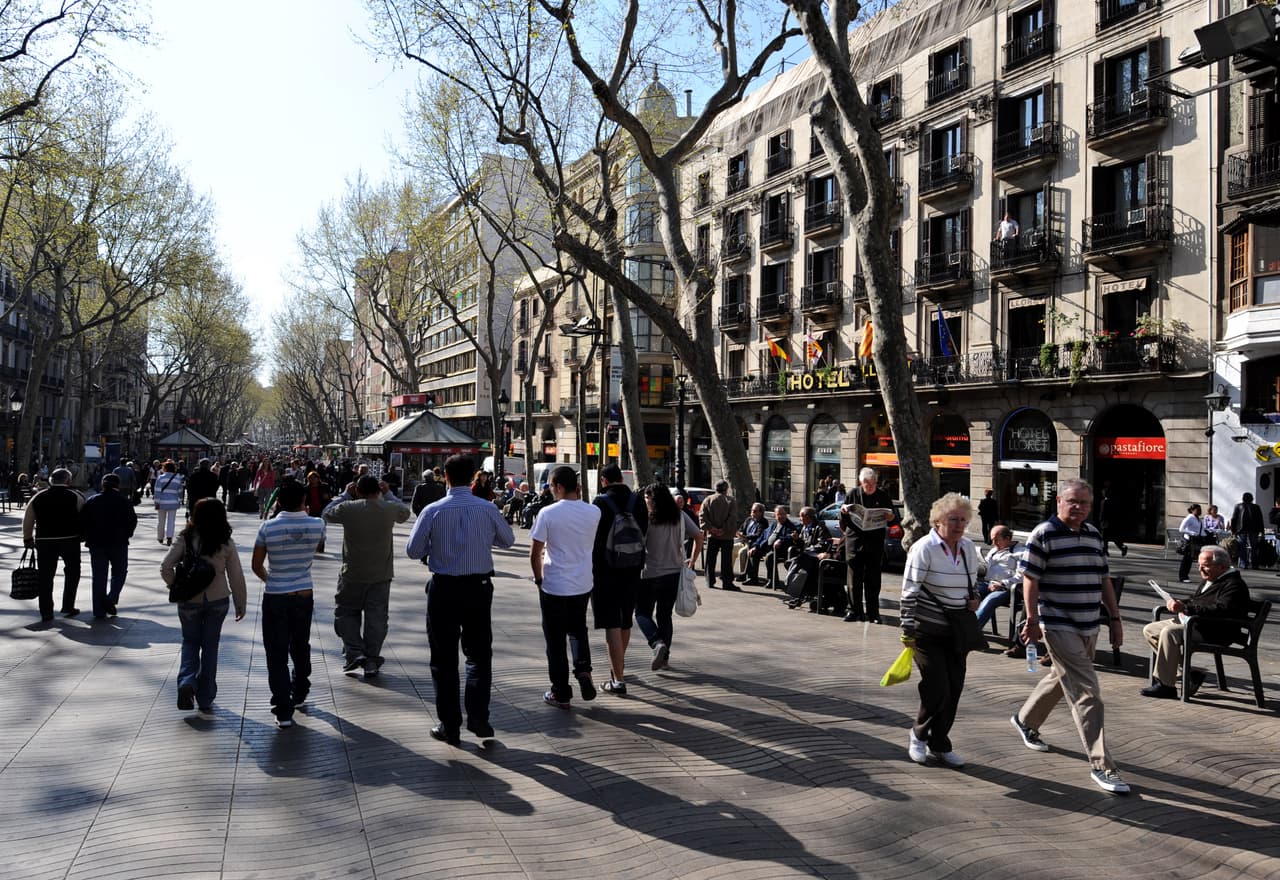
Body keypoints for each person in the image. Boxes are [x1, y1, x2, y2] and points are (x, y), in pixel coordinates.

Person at [1011, 478, 1130, 795]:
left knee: (1060, 678)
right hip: (1058, 623)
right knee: (1087, 693)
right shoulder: (1043, 534)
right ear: (1059, 502)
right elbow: (1030, 580)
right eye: (1072, 501)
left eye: (1085, 503)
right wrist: (1032, 619)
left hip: (1089, 624)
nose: (1079, 508)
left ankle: (1026, 720)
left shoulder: (1093, 535)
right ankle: (1102, 765)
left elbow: (1103, 579)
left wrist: (1115, 619)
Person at [406, 454, 515, 745]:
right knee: (479, 655)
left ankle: (449, 724)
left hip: (444, 589)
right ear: (472, 477)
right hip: (478, 588)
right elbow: (508, 540)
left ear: (447, 478)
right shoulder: (488, 508)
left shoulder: (433, 510)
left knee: (443, 658)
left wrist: (435, 544)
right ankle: (478, 716)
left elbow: (413, 551)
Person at [899, 493, 981, 768]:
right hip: (926, 631)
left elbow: (974, 585)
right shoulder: (924, 548)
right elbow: (908, 592)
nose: (959, 525)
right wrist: (907, 630)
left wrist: (975, 599)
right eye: (953, 519)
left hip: (957, 632)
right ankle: (918, 736)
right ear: (937, 521)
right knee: (937, 688)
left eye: (963, 520)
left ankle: (940, 743)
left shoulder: (968, 547)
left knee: (954, 689)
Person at [251, 480, 326, 729]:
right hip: (304, 593)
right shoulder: (317, 525)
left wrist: (271, 579)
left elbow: (256, 565)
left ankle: (283, 708)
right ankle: (301, 688)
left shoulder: (268, 527)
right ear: (304, 499)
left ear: (279, 500)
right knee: (300, 644)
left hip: (276, 595)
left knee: (276, 652)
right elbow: (313, 549)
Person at [162, 498, 247, 714]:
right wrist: (240, 603)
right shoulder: (225, 541)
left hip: (189, 600)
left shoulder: (186, 537)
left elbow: (166, 566)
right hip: (218, 599)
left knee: (190, 641)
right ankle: (206, 697)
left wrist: (175, 585)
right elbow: (235, 574)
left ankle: (187, 681)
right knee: (210, 646)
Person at [322, 474, 412, 678]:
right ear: (378, 490)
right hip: (381, 573)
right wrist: (389, 494)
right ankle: (372, 659)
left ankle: (354, 652)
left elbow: (326, 513)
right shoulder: (388, 509)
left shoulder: (348, 508)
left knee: (346, 613)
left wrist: (345, 494)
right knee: (376, 618)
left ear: (358, 491)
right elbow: (405, 512)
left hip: (352, 572)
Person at [529, 465, 601, 709]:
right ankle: (583, 670)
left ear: (558, 486)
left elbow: (535, 553)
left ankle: (561, 691)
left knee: (555, 640)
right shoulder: (594, 512)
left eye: (550, 486)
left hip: (554, 585)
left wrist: (539, 580)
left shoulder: (547, 513)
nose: (550, 491)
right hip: (582, 583)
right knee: (578, 630)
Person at [1141, 545, 1251, 699]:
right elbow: (1197, 600)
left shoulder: (1234, 585)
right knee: (1150, 630)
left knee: (1169, 633)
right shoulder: (1210, 578)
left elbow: (1220, 610)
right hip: (1197, 624)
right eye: (1199, 565)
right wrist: (1180, 602)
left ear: (1222, 567)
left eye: (1205, 566)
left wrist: (1187, 608)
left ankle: (1166, 686)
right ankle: (1190, 674)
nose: (1200, 570)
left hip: (1215, 631)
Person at [591, 464, 648, 695]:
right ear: (621, 479)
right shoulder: (638, 501)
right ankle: (618, 669)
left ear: (604, 480)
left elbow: (594, 538)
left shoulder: (600, 503)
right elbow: (644, 530)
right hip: (634, 567)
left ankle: (618, 680)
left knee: (611, 623)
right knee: (625, 620)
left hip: (606, 570)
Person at [636, 483, 704, 672]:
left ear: (653, 499)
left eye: (647, 498)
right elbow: (699, 536)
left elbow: (640, 545)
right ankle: (664, 658)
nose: (645, 501)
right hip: (674, 574)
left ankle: (656, 643)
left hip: (650, 573)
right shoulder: (679, 517)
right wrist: (692, 561)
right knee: (665, 615)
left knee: (641, 613)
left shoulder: (648, 519)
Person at [22, 468, 85, 623]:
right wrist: (83, 535)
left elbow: (28, 519)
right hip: (70, 540)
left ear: (51, 480)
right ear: (68, 481)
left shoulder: (38, 497)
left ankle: (46, 611)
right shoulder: (76, 497)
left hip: (45, 541)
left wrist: (28, 538)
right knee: (72, 573)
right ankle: (68, 605)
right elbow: (85, 518)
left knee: (45, 576)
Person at [841, 467, 896, 623]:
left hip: (874, 544)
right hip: (855, 543)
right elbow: (843, 522)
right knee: (854, 580)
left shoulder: (883, 496)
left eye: (873, 483)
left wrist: (890, 517)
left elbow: (893, 520)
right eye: (866, 483)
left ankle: (873, 613)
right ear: (861, 482)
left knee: (873, 581)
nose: (870, 486)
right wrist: (843, 511)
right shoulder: (852, 494)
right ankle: (854, 611)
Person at [80, 474, 138, 619]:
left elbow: (83, 521)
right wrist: (127, 534)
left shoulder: (92, 501)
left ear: (102, 484)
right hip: (118, 542)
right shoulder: (124, 501)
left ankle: (99, 610)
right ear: (117, 485)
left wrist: (87, 536)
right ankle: (111, 598)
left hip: (96, 543)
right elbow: (132, 521)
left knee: (99, 576)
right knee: (119, 572)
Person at [783, 506, 837, 610]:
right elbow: (802, 544)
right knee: (792, 563)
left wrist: (809, 549)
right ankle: (798, 594)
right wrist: (797, 540)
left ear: (808, 517)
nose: (800, 519)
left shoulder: (820, 526)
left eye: (801, 517)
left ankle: (798, 594)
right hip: (807, 557)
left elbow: (822, 544)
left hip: (817, 559)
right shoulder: (804, 527)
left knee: (802, 565)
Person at [974, 525, 1021, 629]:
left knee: (991, 599)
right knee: (970, 593)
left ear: (1008, 538)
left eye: (997, 540)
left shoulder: (1020, 553)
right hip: (989, 583)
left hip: (1008, 589)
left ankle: (972, 632)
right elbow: (986, 566)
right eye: (992, 540)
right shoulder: (994, 550)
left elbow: (1022, 576)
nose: (994, 543)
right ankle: (960, 626)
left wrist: (1003, 583)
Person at [699, 480, 738, 592]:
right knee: (726, 560)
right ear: (726, 489)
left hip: (712, 535)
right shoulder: (731, 500)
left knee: (710, 559)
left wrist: (711, 528)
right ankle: (727, 582)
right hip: (727, 535)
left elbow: (702, 516)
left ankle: (710, 580)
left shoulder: (708, 500)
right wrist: (723, 529)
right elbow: (732, 518)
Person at [734, 502, 768, 585]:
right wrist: (740, 533)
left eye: (754, 511)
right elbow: (741, 528)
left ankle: (744, 574)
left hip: (752, 543)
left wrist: (746, 537)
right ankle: (728, 573)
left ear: (761, 512)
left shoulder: (763, 522)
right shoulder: (749, 519)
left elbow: (758, 535)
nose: (752, 513)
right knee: (731, 548)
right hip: (743, 541)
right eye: (752, 511)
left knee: (743, 553)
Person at [153, 461, 186, 546]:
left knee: (161, 521)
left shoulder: (161, 478)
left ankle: (160, 537)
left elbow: (157, 491)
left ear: (165, 468)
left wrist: (156, 502)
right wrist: (180, 500)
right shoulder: (177, 478)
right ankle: (169, 538)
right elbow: (180, 491)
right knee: (171, 521)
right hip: (173, 502)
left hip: (162, 502)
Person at [1230, 492, 1264, 569]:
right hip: (1254, 530)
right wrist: (1262, 531)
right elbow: (1260, 519)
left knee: (1242, 546)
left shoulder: (1238, 506)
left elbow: (1234, 519)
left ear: (1243, 498)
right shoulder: (1256, 507)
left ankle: (1243, 563)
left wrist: (1233, 530)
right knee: (1254, 547)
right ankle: (1254, 564)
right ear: (1252, 499)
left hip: (1241, 529)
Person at [1177, 504, 1207, 583]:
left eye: (1200, 510)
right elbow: (1181, 529)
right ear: (1192, 510)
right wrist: (1192, 533)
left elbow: (1201, 531)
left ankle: (1185, 575)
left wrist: (1206, 534)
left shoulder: (1199, 520)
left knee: (1191, 559)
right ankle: (1183, 576)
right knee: (1187, 559)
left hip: (1196, 541)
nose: (1200, 511)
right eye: (1198, 510)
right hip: (1189, 541)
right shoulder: (1189, 518)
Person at [303, 470, 332, 553]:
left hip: (322, 510)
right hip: (311, 511)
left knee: (321, 529)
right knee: (311, 530)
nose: (313, 479)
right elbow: (304, 500)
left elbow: (331, 494)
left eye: (314, 478)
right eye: (311, 478)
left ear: (318, 478)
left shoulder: (324, 486)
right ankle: (312, 546)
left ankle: (321, 547)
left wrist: (328, 496)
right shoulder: (306, 488)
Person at [1096, 486, 1128, 557]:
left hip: (1106, 522)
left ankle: (1105, 550)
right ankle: (1122, 547)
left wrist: (1101, 520)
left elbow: (1102, 512)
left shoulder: (1104, 501)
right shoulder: (1115, 501)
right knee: (1115, 537)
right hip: (1114, 522)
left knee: (1104, 537)